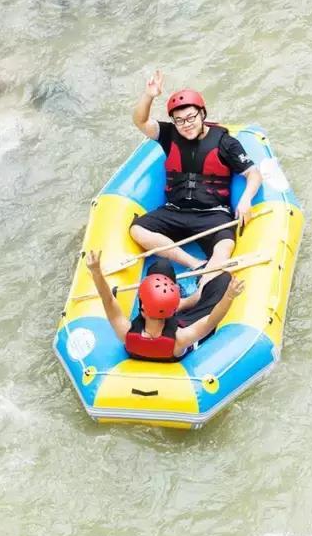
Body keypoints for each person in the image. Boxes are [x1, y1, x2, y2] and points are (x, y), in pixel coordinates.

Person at [131, 69, 263, 290]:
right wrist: (150, 95)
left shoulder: (225, 142)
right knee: (137, 230)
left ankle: (207, 285)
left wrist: (246, 199)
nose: (186, 124)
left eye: (191, 117)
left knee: (225, 245)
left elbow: (253, 173)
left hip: (213, 215)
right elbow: (140, 121)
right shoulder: (168, 135)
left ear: (202, 114)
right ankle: (195, 264)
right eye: (179, 120)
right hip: (175, 210)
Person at [85, 251, 245, 362]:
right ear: (173, 308)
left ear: (143, 308)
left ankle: (188, 301)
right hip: (182, 323)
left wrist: (96, 272)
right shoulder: (181, 339)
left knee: (160, 266)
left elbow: (108, 301)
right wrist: (229, 295)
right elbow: (211, 320)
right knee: (223, 279)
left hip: (163, 320)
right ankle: (190, 300)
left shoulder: (126, 333)